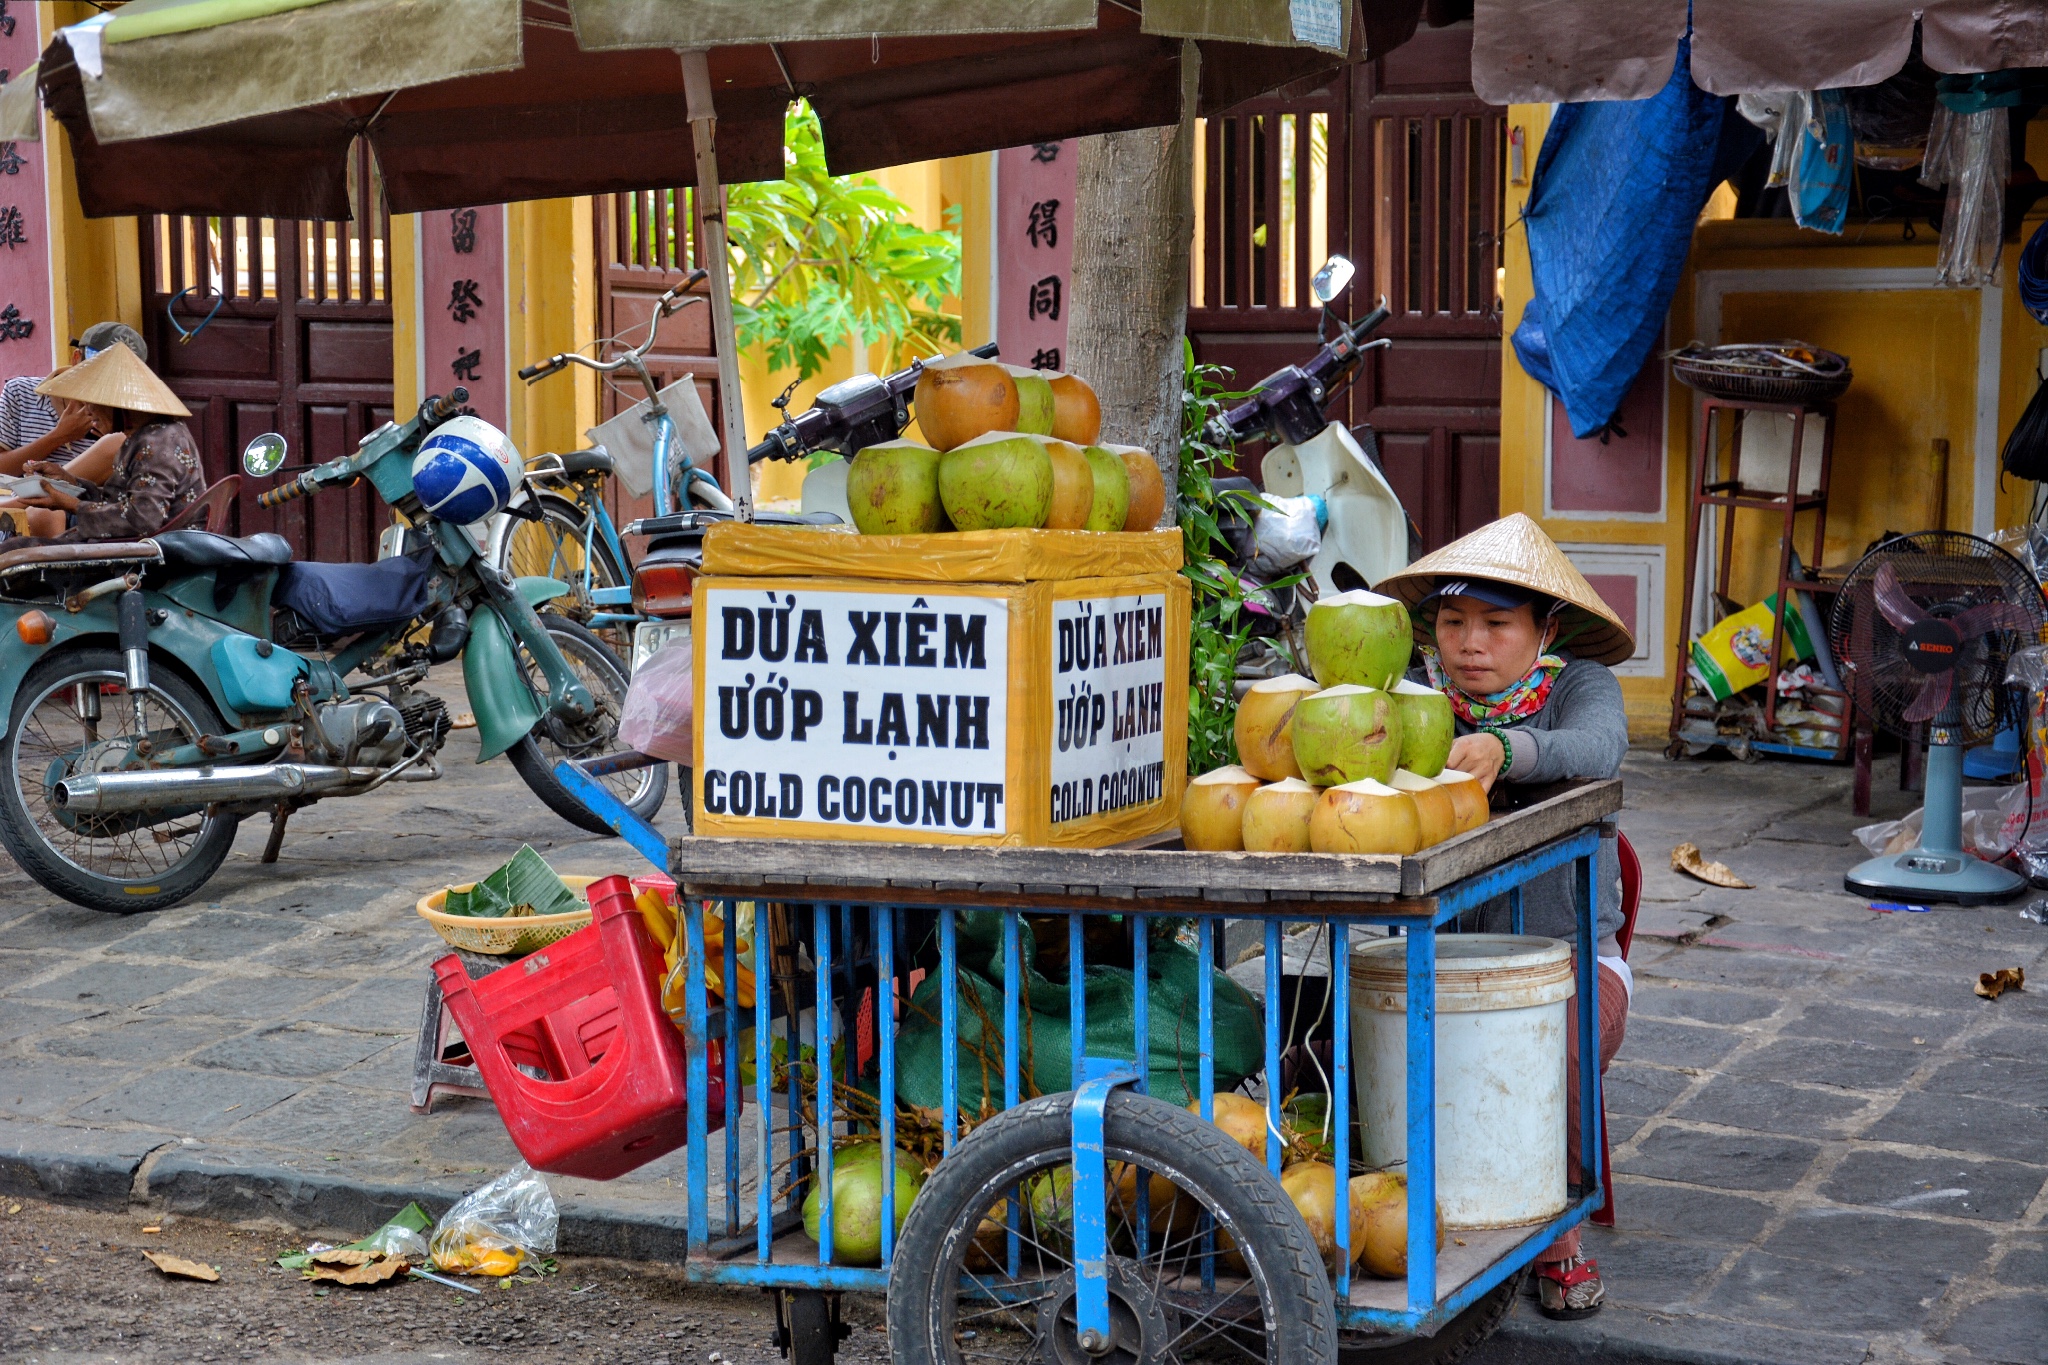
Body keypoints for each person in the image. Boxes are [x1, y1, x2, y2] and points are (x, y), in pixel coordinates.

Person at [1374, 511, 1633, 1321]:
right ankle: (1383, 1205)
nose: (1470, 643)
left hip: (1570, 958)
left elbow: (1599, 749)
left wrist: (1507, 750)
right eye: (1453, 622)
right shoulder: (1416, 702)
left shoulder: (1577, 688)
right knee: (1330, 1024)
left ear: (1544, 627)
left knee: (1542, 1041)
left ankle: (1558, 1241)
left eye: (1495, 623)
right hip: (1442, 957)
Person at [1, 342, 203, 543]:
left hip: (146, 556)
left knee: (16, 552)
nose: (87, 410)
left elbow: (141, 520)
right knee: (17, 548)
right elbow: (116, 501)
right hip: (123, 546)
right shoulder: (142, 436)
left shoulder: (158, 442)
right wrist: (69, 481)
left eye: (93, 401)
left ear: (119, 402)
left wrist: (71, 504)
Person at [0, 322, 147, 477]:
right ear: (76, 358)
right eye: (99, 370)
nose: (106, 381)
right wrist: (59, 436)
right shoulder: (20, 392)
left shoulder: (126, 420)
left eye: (120, 376)